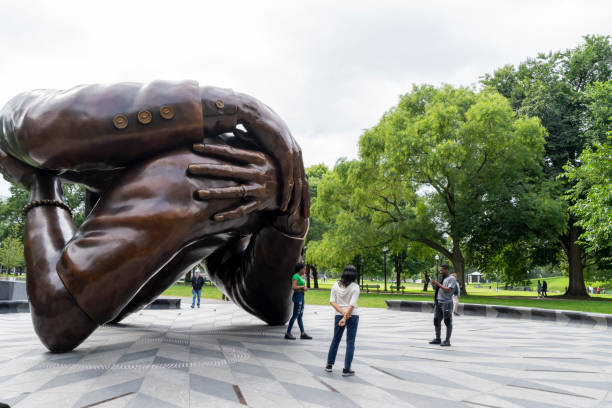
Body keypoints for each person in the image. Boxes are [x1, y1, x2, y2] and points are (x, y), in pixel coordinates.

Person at [0, 80, 310, 352]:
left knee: (39, 131)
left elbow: (268, 308)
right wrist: (291, 211)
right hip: (210, 182)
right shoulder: (37, 127)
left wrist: (291, 210)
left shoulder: (34, 126)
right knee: (38, 132)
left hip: (203, 178)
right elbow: (268, 307)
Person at [326, 265, 360, 376]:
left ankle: (329, 365)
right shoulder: (355, 287)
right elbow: (352, 305)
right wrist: (345, 316)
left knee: (335, 339)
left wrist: (342, 314)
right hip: (352, 316)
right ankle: (346, 369)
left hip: (338, 315)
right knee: (350, 342)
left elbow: (332, 301)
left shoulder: (335, 285)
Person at [429, 264, 457, 347]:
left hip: (447, 303)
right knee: (436, 320)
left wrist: (438, 284)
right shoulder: (442, 278)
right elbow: (437, 289)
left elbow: (448, 290)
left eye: (442, 270)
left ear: (447, 270)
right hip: (439, 302)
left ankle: (447, 341)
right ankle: (438, 339)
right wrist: (433, 284)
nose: (440, 272)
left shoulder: (452, 279)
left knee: (447, 321)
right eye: (440, 270)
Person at [285, 263, 312, 340]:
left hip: (302, 296)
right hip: (298, 297)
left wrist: (304, 288)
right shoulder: (295, 276)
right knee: (295, 315)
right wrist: (303, 287)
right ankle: (288, 333)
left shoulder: (300, 277)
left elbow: (301, 287)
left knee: (300, 316)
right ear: (300, 269)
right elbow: (293, 287)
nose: (305, 270)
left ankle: (303, 333)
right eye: (304, 269)